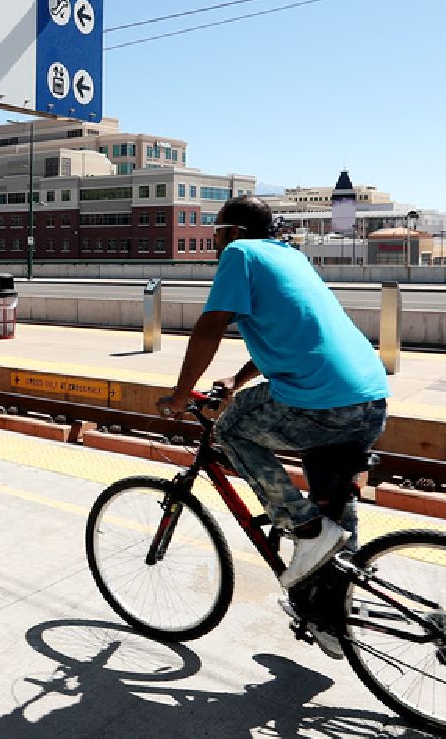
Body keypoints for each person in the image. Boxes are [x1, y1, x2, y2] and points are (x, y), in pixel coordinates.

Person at [156, 195, 388, 595]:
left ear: (232, 232)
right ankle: (338, 612)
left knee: (231, 430)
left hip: (322, 402)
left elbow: (210, 327)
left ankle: (305, 528)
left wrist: (179, 395)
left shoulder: (239, 253)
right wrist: (236, 381)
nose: (215, 245)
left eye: (216, 236)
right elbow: (291, 337)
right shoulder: (291, 257)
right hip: (370, 400)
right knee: (333, 502)